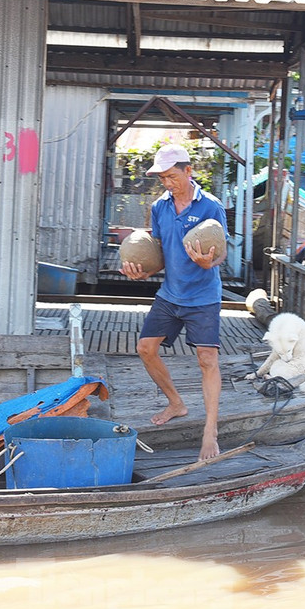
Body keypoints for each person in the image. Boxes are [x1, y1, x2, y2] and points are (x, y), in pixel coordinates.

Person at [119, 143, 228, 460]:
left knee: (207, 359)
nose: (167, 183)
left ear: (188, 171)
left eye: (172, 176)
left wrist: (211, 262)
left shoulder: (211, 206)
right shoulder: (160, 207)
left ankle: (210, 431)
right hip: (170, 294)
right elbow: (162, 254)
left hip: (203, 296)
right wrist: (143, 271)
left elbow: (221, 252)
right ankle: (176, 403)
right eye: (162, 178)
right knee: (145, 348)